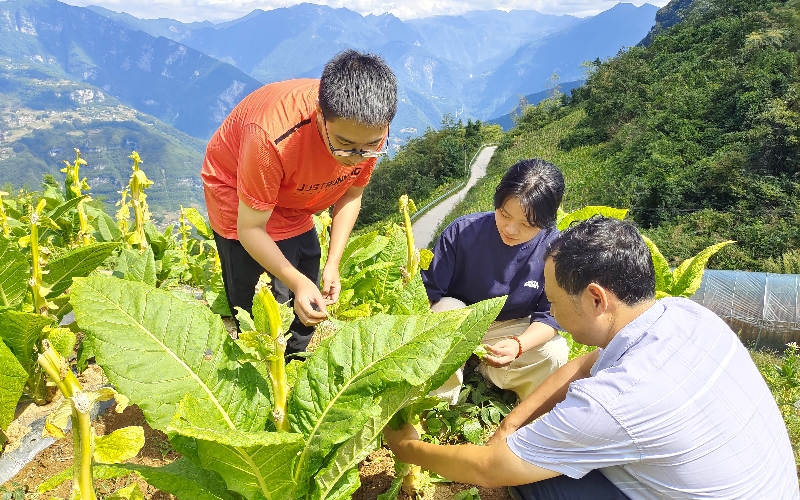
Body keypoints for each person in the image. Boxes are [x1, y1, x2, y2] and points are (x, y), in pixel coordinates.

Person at [385, 217, 799, 499]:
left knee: (533, 480)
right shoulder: (687, 315)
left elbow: (491, 468)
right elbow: (587, 362)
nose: (548, 305)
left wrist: (409, 448)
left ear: (596, 298)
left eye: (553, 298)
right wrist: (511, 422)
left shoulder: (611, 404)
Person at [201, 49, 397, 355]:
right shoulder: (272, 136)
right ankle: (263, 372)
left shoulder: (366, 131)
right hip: (240, 191)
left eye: (371, 146)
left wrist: (333, 264)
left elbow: (352, 193)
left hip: (297, 194)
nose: (357, 157)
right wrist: (296, 283)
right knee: (263, 308)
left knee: (308, 276)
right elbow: (251, 228)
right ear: (320, 114)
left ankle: (293, 362)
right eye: (344, 145)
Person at [422, 158, 569, 403]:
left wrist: (518, 345)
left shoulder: (555, 250)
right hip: (462, 320)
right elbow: (429, 295)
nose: (510, 229)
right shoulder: (462, 231)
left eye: (526, 224)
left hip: (510, 328)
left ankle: (487, 370)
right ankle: (438, 399)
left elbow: (548, 316)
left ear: (547, 221)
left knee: (554, 353)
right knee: (448, 308)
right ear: (497, 202)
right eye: (504, 214)